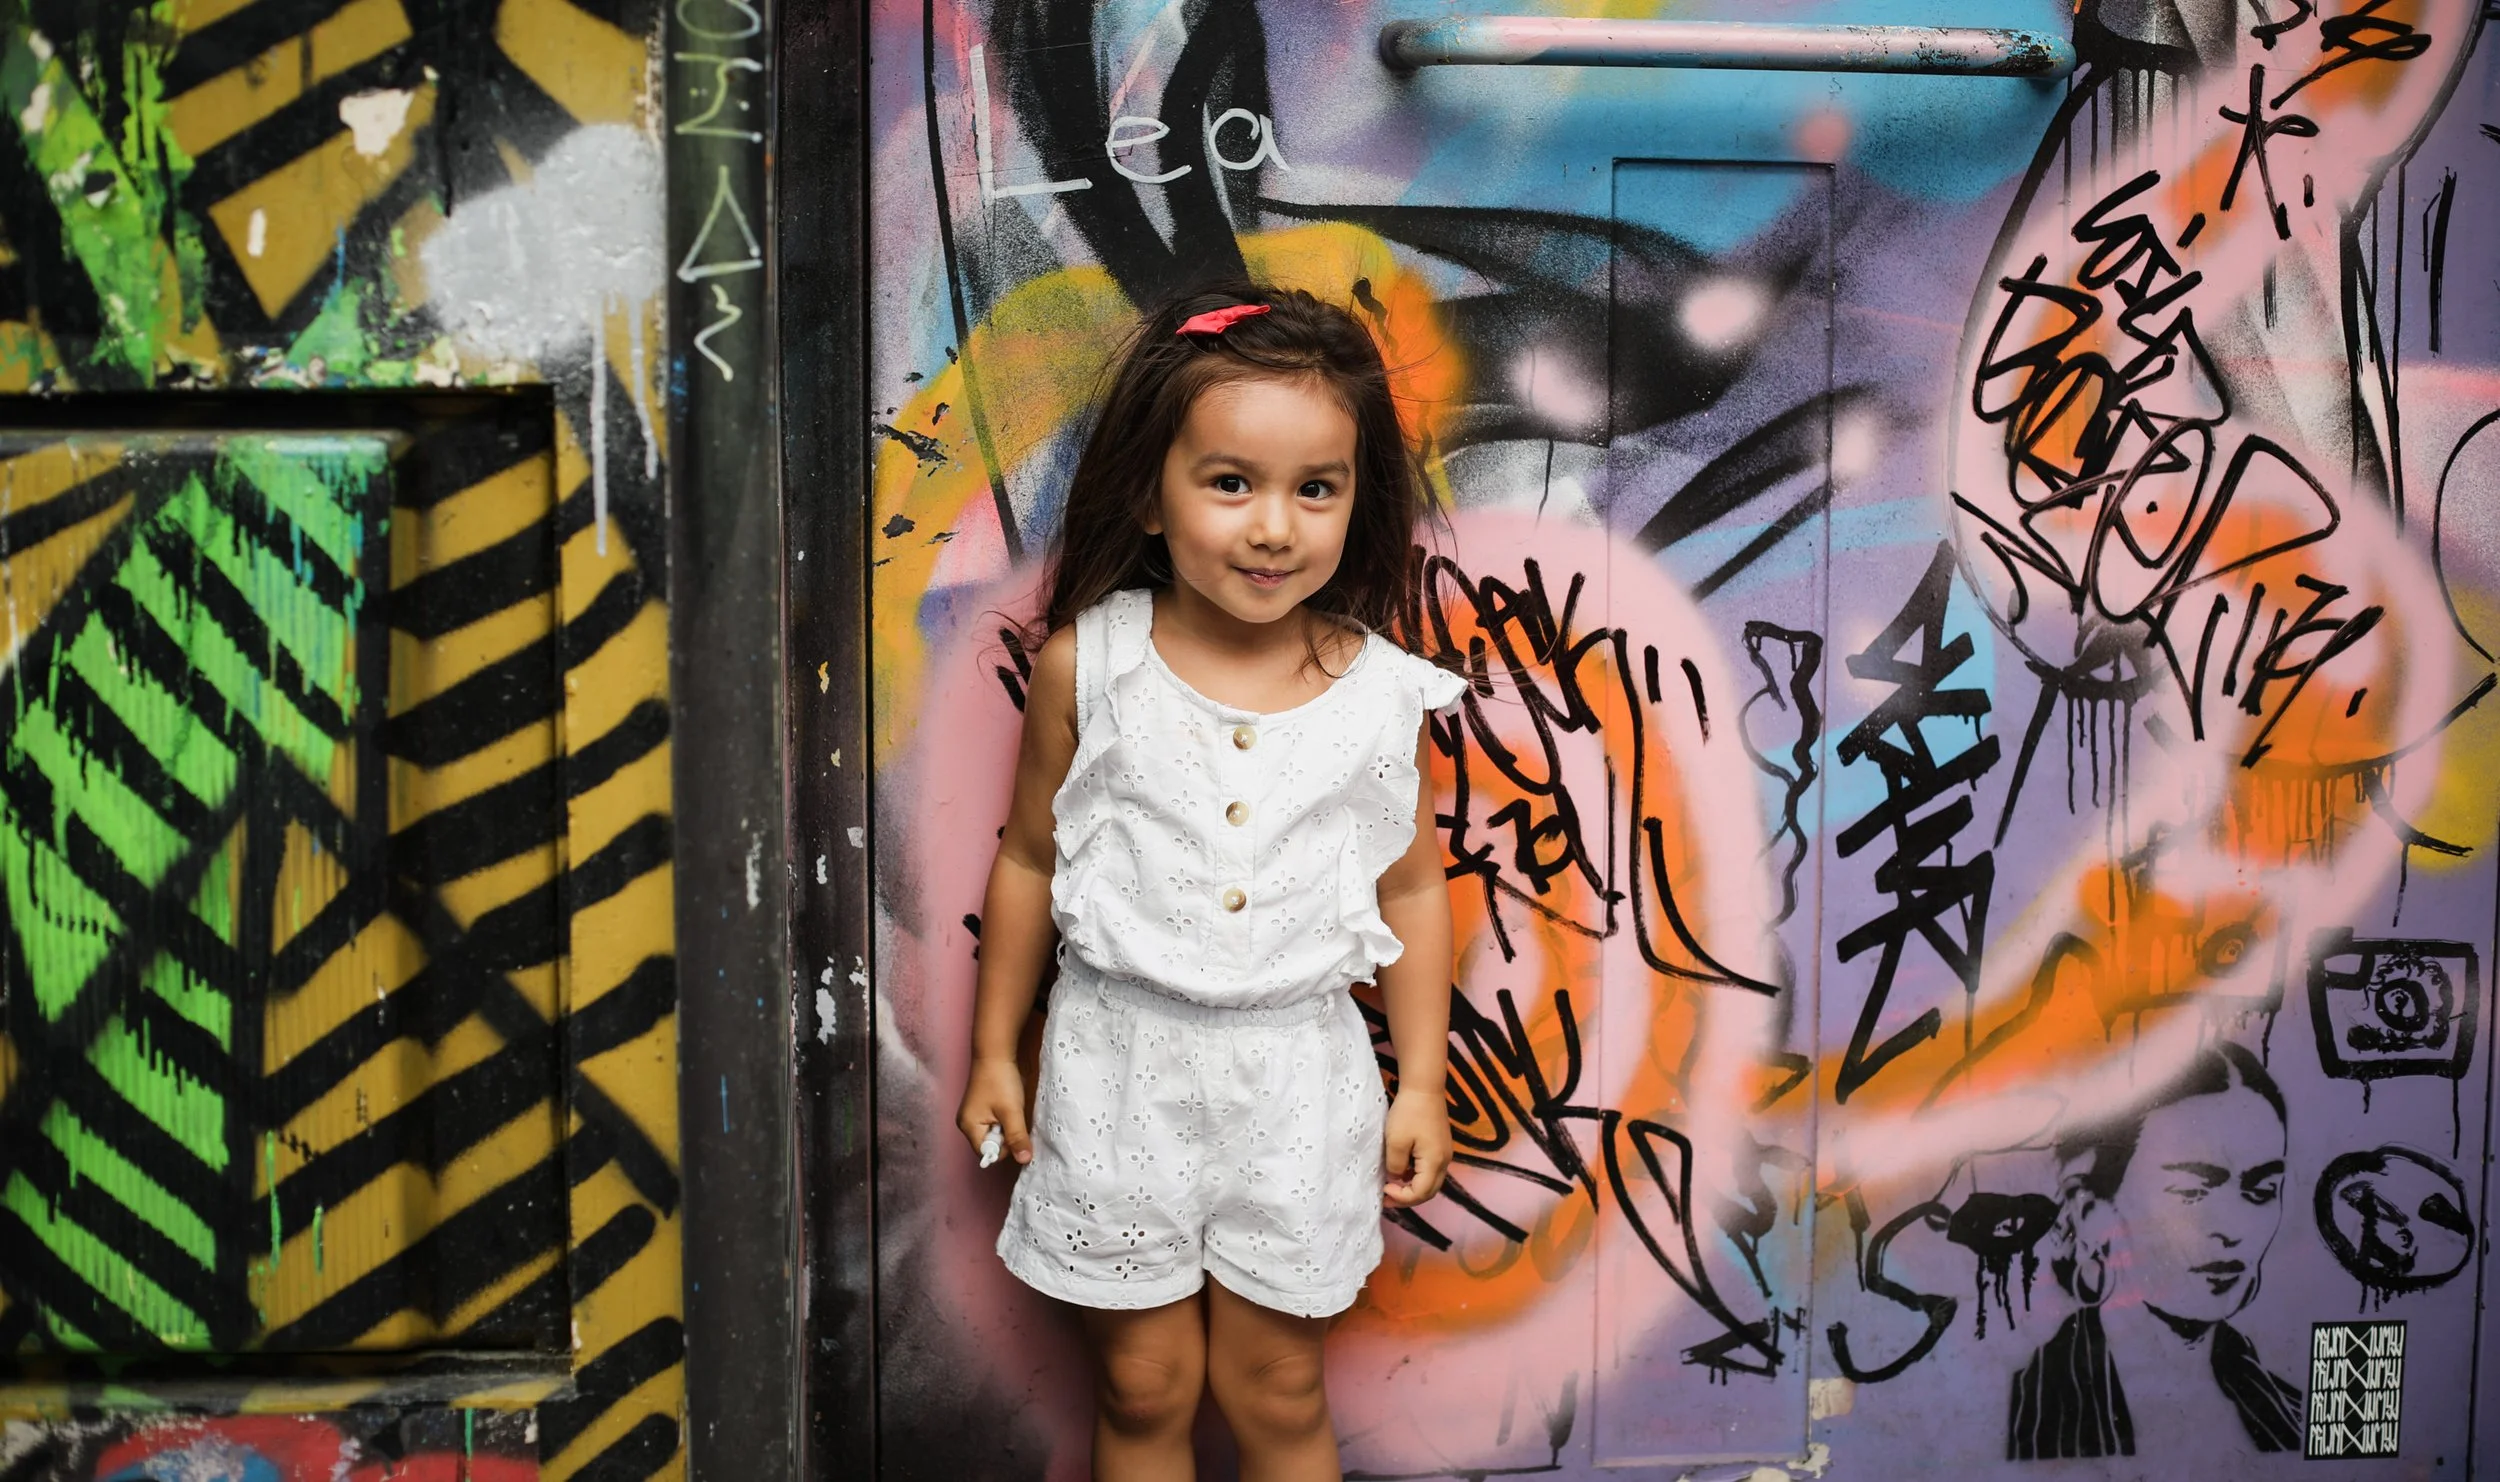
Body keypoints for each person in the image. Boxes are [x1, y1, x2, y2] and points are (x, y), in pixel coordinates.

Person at [954, 283, 1460, 1481]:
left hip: (1297, 1082)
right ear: (1150, 491)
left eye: (1314, 489)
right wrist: (992, 1050)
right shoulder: (1095, 666)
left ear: (1354, 499)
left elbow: (1415, 893)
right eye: (1230, 482)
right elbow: (1029, 855)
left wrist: (1422, 1083)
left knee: (1276, 1386)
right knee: (1145, 1385)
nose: (1273, 526)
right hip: (1116, 1070)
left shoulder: (1381, 695)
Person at [2007, 1041, 2300, 1461]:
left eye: (2262, 1190)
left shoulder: (2295, 1415)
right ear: (2093, 1214)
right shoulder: (2029, 1415)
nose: (2235, 1228)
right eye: (2192, 1191)